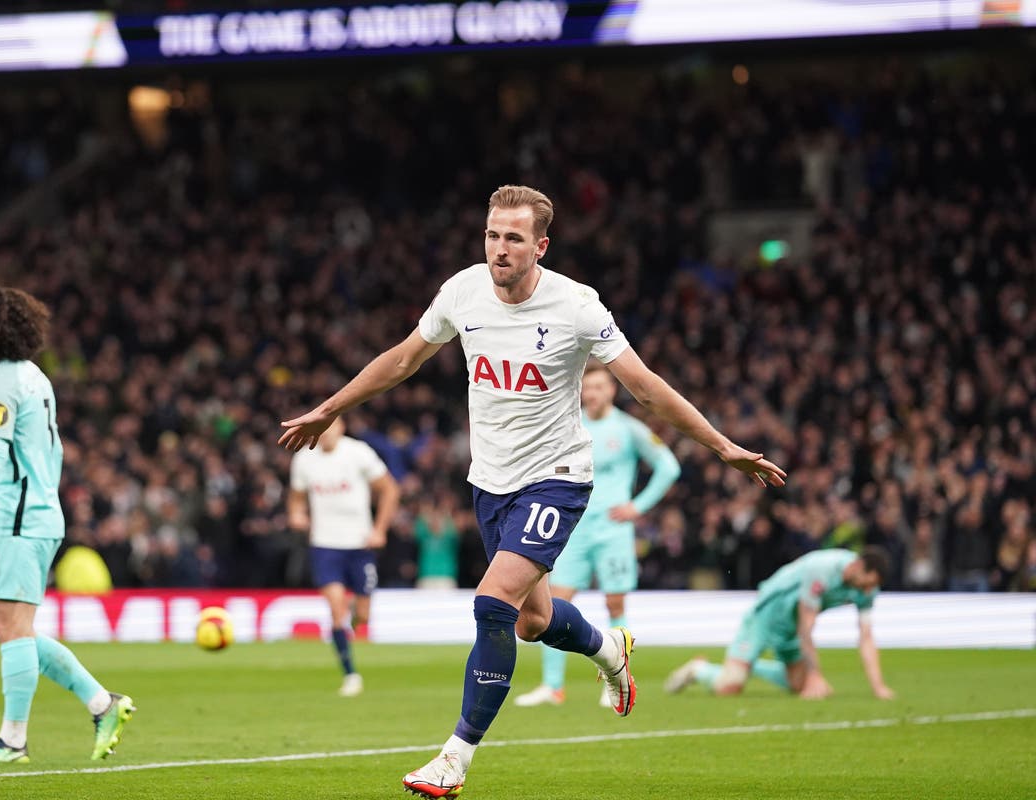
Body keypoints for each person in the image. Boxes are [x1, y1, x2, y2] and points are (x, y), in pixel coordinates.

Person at [279, 185, 786, 799]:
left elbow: (646, 388)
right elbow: (402, 361)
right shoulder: (462, 291)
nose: (499, 248)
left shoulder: (577, 306)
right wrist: (328, 410)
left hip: (557, 480)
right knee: (532, 621)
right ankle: (610, 655)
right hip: (491, 485)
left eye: (513, 238)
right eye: (492, 235)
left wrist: (722, 446)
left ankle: (454, 759)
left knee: (491, 604)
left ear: (540, 246)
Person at [0, 285, 135, 764]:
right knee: (18, 629)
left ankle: (13, 740)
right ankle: (102, 703)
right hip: (43, 512)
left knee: (11, 626)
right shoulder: (35, 377)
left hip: (21, 517)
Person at [515, 361, 681, 708]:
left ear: (612, 390)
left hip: (613, 530)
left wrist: (638, 506)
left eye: (598, 387)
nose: (591, 393)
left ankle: (618, 680)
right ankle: (553, 686)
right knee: (553, 603)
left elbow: (669, 466)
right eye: (586, 387)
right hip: (573, 528)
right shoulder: (570, 426)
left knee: (614, 603)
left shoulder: (628, 428)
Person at [664, 546, 895, 700]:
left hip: (790, 627)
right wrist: (815, 674)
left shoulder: (868, 590)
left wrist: (879, 687)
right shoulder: (823, 569)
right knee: (730, 686)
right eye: (866, 583)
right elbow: (807, 627)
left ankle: (747, 665)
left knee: (799, 685)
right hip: (766, 616)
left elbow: (866, 637)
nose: (867, 590)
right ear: (857, 567)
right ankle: (699, 669)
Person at [287, 416, 400, 696]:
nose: (324, 434)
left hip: (359, 545)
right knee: (336, 609)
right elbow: (296, 496)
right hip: (325, 545)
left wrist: (379, 529)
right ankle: (351, 675)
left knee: (361, 617)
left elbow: (390, 489)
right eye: (320, 429)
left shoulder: (358, 453)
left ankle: (351, 618)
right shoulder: (304, 458)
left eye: (330, 427)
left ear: (341, 428)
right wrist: (296, 514)